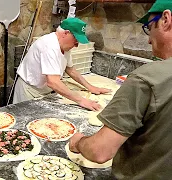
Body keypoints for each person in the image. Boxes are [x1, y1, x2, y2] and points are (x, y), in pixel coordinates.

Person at [69, 0, 172, 179]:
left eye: (148, 27)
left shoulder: (147, 79)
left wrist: (79, 142)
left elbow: (99, 151)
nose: (148, 39)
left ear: (166, 19)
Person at [13, 17, 110, 111]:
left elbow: (70, 69)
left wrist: (90, 87)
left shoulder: (64, 46)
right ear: (66, 33)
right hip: (29, 91)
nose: (76, 45)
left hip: (44, 91)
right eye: (76, 40)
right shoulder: (49, 46)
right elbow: (53, 82)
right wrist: (82, 101)